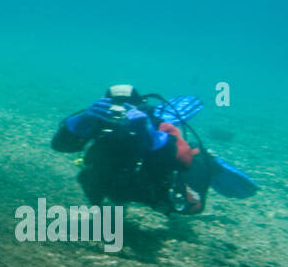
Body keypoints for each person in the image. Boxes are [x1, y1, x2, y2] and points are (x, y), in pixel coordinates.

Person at [51, 84, 216, 214]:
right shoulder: (97, 122)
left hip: (153, 187)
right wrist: (81, 120)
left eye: (126, 108)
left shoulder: (157, 126)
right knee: (90, 177)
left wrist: (151, 135)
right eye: (114, 106)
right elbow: (59, 146)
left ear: (140, 108)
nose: (120, 113)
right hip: (111, 185)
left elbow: (184, 163)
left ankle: (208, 159)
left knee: (192, 207)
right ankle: (112, 205)